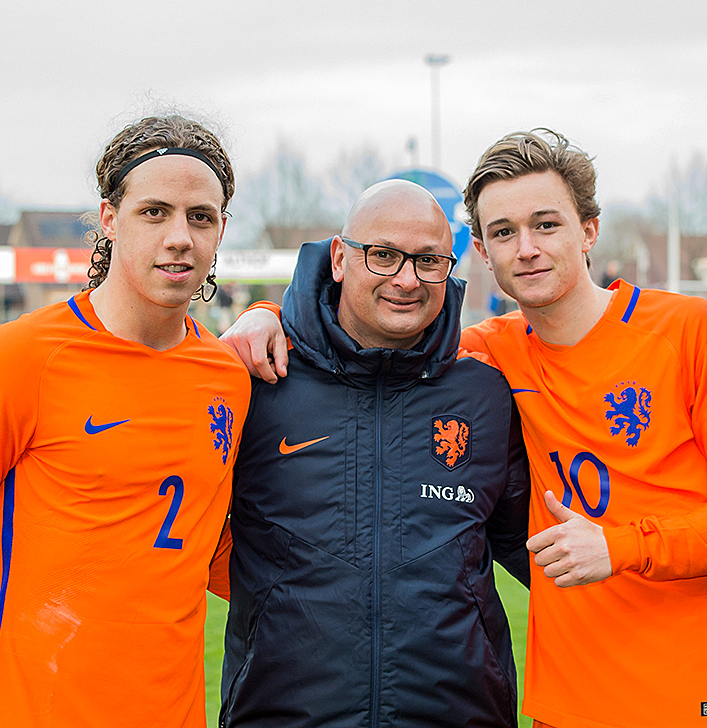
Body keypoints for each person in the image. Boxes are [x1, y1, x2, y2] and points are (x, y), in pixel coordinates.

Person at [225, 129, 707, 727]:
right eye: (502, 232)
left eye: (546, 224)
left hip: (691, 691)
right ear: (482, 254)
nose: (526, 248)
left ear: (589, 231)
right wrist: (267, 315)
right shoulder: (484, 357)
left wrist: (621, 547)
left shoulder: (686, 330)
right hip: (563, 702)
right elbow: (370, 351)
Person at [0, 114, 250, 728]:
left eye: (201, 217)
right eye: (154, 211)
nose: (179, 237)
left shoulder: (227, 376)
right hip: (32, 709)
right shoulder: (23, 358)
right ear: (109, 219)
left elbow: (210, 552)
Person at [217, 180, 531, 727]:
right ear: (339, 257)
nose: (407, 280)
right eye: (383, 255)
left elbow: (528, 546)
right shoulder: (257, 381)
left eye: (429, 261)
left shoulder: (486, 393)